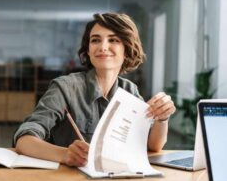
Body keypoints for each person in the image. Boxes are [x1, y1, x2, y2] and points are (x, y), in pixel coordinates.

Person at [14, 13, 176, 167]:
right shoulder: (65, 87)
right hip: (67, 180)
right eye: (95, 40)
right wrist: (64, 154)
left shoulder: (129, 90)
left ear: (126, 50)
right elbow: (24, 139)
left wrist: (162, 118)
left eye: (113, 40)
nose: (103, 47)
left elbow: (152, 146)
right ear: (88, 50)